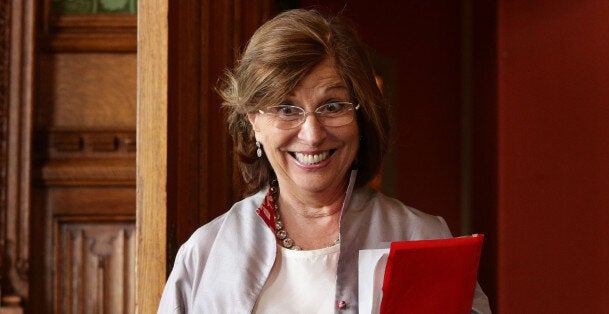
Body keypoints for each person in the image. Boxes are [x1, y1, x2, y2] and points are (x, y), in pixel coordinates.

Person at [157, 9, 491, 313]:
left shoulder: (425, 240)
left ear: (362, 118)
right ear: (254, 122)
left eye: (332, 106)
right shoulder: (205, 253)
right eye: (286, 108)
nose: (312, 134)